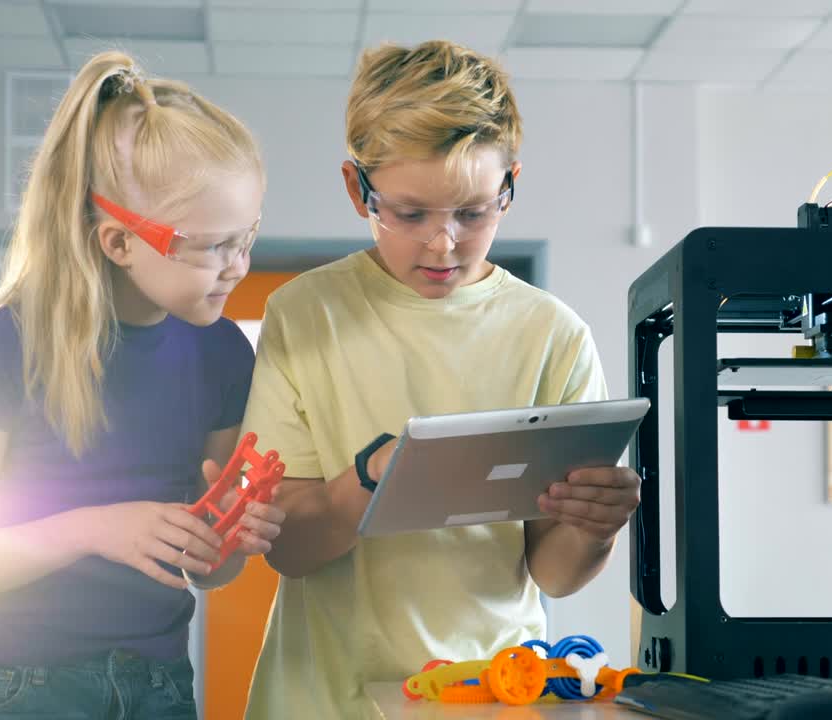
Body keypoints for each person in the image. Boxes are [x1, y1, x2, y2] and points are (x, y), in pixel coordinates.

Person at [237, 40, 642, 717]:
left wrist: (595, 528)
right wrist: (370, 479)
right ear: (355, 188)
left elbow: (554, 572)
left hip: (494, 695)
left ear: (510, 185)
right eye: (410, 212)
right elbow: (292, 552)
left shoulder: (553, 334)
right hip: (322, 697)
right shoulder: (306, 315)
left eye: (472, 212)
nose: (442, 243)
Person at [0, 51, 283, 719]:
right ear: (119, 243)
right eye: (211, 246)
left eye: (247, 238)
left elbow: (208, 573)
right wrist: (93, 529)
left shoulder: (225, 353)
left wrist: (227, 540)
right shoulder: (10, 341)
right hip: (15, 686)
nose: (238, 267)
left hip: (159, 684)